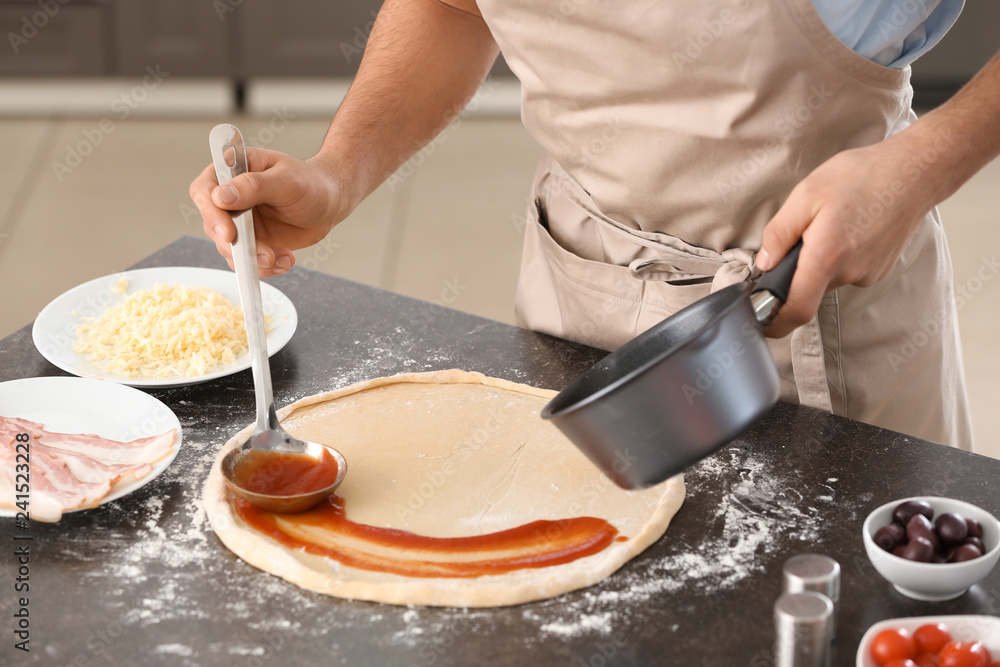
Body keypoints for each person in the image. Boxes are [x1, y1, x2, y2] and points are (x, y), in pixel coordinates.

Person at [190, 0, 1000, 451]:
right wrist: (339, 172)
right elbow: (453, 5)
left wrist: (919, 167)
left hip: (818, 314)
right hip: (577, 310)